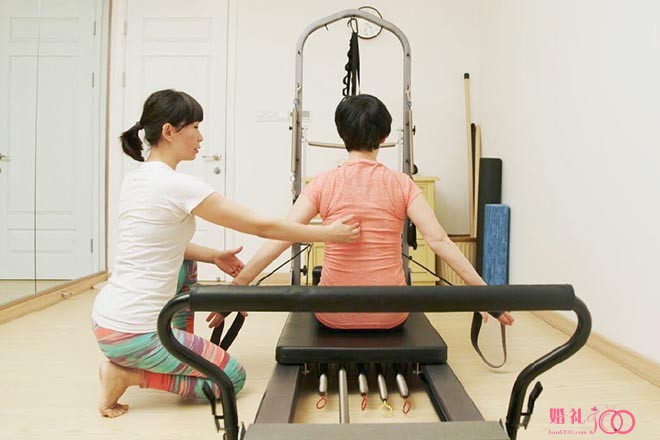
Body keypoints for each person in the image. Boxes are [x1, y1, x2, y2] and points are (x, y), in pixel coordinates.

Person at [92, 89, 360, 418]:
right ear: (169, 131)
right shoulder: (176, 186)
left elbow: (158, 244)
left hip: (107, 319)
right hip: (135, 333)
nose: (200, 137)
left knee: (187, 262)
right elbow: (261, 226)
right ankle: (129, 375)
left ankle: (177, 348)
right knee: (230, 380)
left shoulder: (136, 179)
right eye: (195, 127)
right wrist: (327, 234)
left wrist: (213, 256)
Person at [233, 94, 514, 330]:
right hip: (391, 313)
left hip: (333, 313)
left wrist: (236, 289)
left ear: (342, 134)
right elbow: (438, 240)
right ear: (384, 137)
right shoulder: (402, 183)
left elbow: (282, 236)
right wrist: (485, 295)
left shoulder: (322, 183)